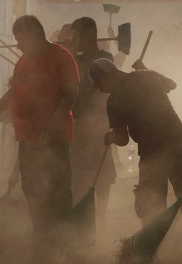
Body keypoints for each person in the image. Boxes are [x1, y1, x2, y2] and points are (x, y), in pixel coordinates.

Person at [0, 15, 80, 262]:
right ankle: (42, 240)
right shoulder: (23, 63)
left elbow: (71, 95)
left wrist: (53, 125)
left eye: (20, 40)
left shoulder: (62, 57)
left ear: (33, 36)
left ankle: (67, 247)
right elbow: (13, 93)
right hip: (28, 140)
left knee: (59, 193)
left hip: (56, 139)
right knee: (32, 190)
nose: (18, 46)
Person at [88, 58, 182, 260]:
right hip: (178, 142)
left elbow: (122, 139)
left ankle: (150, 254)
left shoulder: (114, 101)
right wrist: (147, 70)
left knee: (150, 204)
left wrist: (111, 136)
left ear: (107, 76)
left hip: (152, 152)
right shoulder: (146, 76)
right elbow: (171, 85)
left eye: (99, 84)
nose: (100, 90)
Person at [68, 17, 117, 233]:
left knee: (103, 174)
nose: (72, 40)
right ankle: (83, 218)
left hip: (99, 123)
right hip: (78, 124)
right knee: (79, 174)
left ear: (87, 36)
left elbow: (104, 89)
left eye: (75, 36)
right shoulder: (74, 58)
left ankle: (102, 216)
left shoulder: (104, 57)